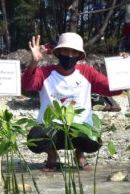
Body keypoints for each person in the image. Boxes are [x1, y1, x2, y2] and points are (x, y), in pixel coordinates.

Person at [22, 33, 122, 171]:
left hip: (79, 127)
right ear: (58, 52)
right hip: (52, 128)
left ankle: (79, 153)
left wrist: (124, 65)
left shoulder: (87, 72)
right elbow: (27, 85)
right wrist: (34, 62)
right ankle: (52, 155)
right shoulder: (44, 72)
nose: (69, 55)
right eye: (65, 50)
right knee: (35, 138)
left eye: (74, 52)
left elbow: (113, 89)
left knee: (94, 141)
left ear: (79, 55)